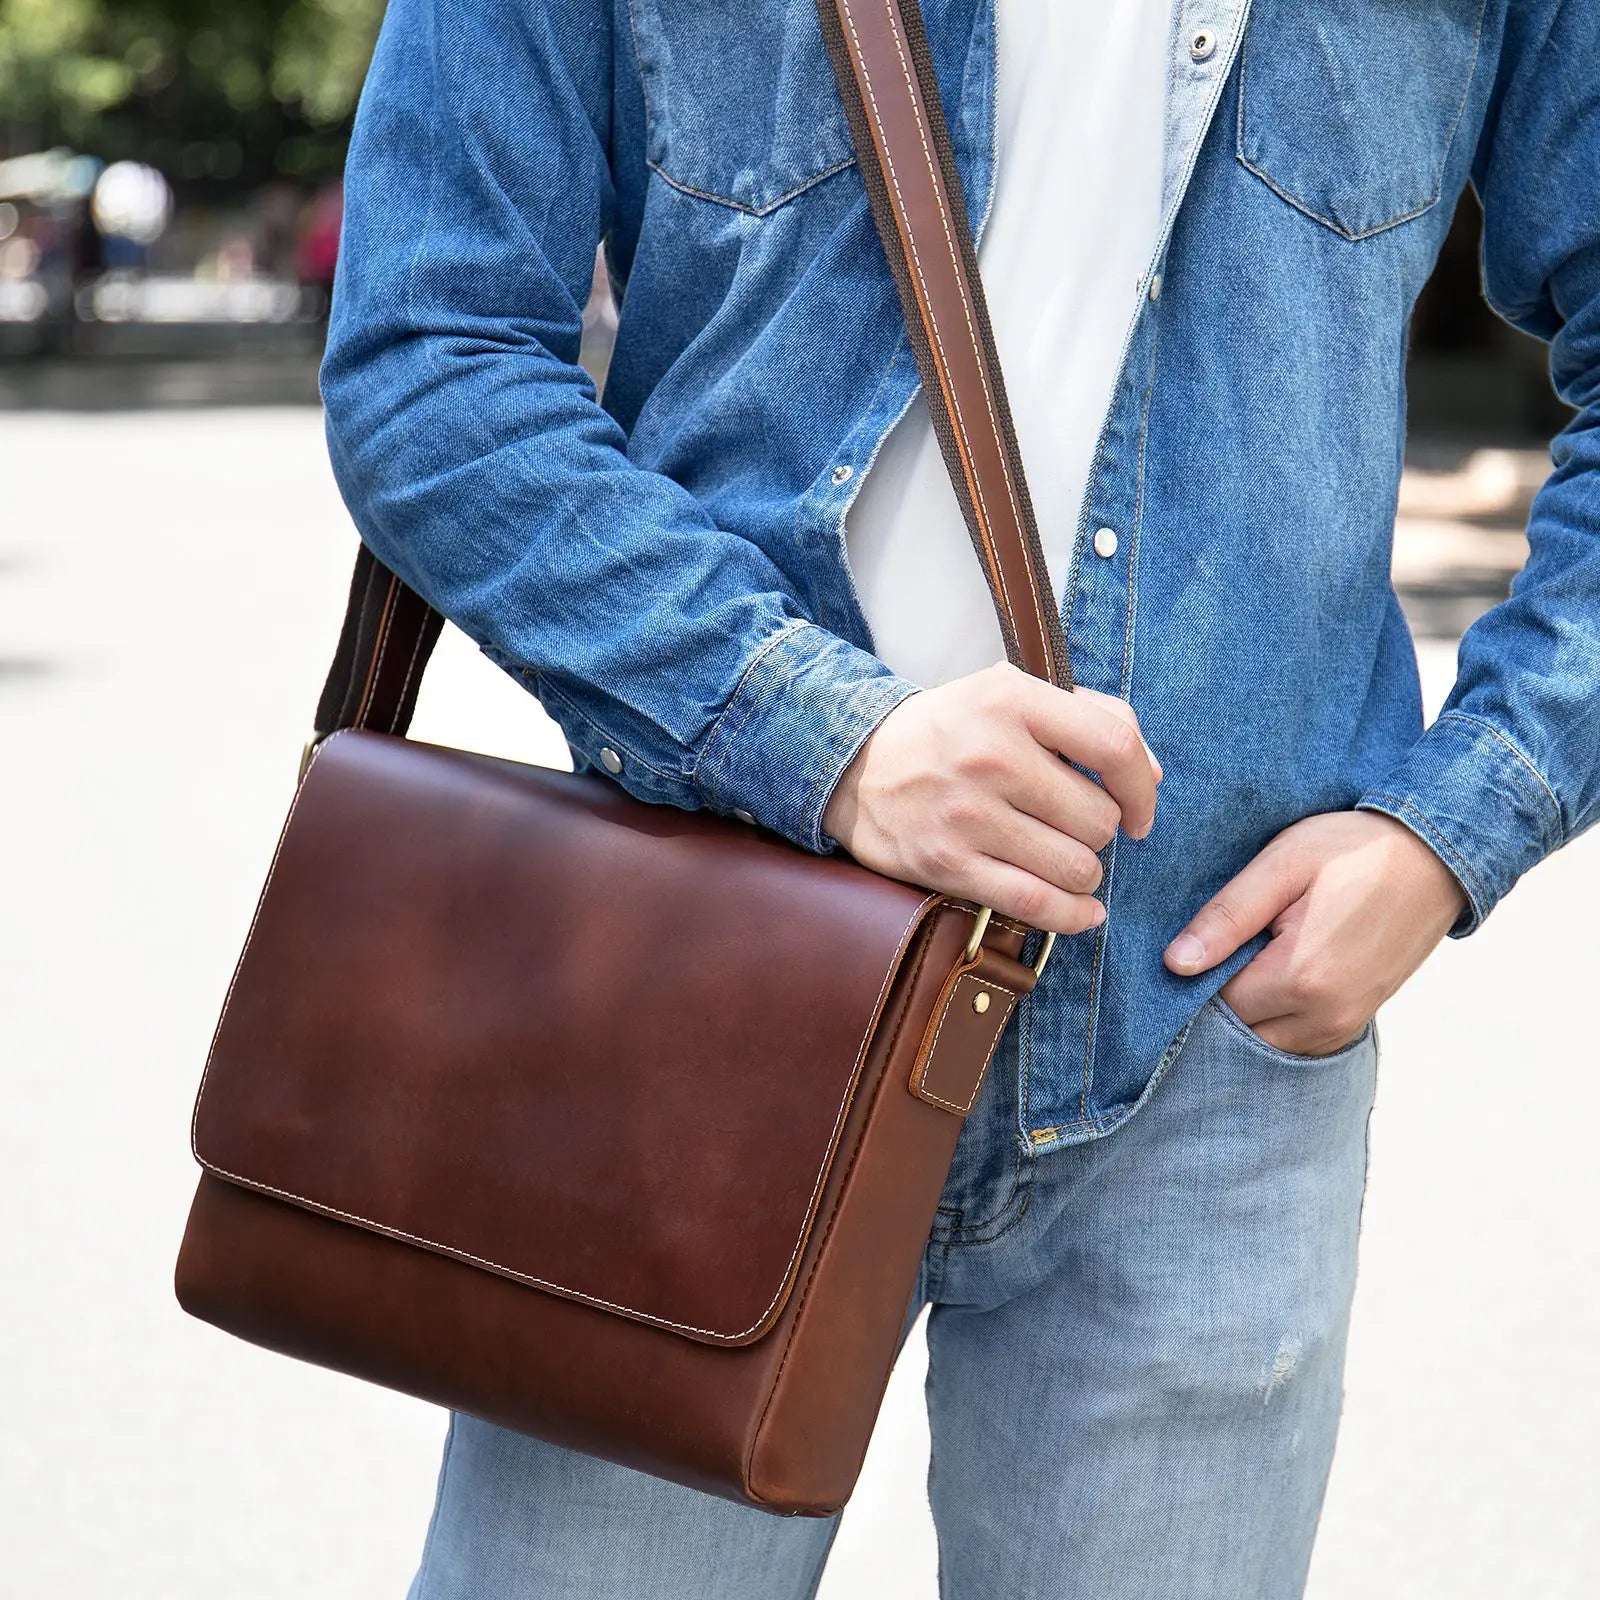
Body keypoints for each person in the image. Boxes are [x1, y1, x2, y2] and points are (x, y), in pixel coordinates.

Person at [318, 1, 1600, 1595]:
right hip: (705, 998)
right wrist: (824, 739)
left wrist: (1458, 822)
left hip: (1208, 1044)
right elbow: (430, 355)